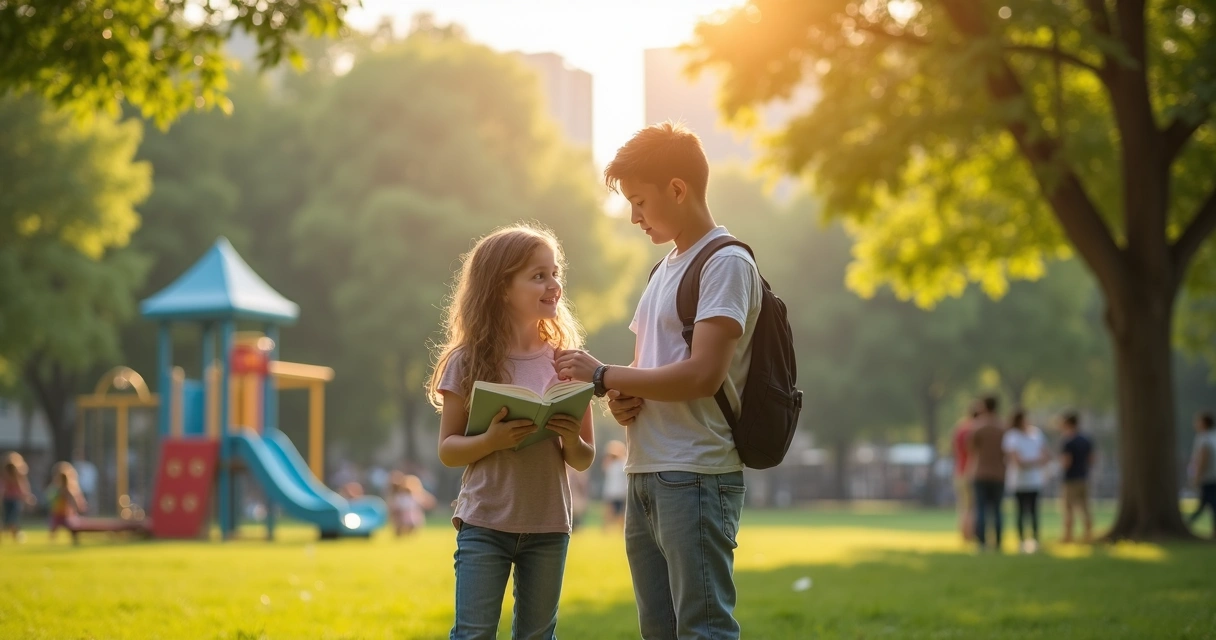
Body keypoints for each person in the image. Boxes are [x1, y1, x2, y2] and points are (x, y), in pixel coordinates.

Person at [554, 122, 760, 639]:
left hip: (694, 471)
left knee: (703, 629)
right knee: (658, 631)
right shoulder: (662, 270)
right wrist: (622, 397)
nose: (634, 216)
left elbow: (703, 374)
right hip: (646, 469)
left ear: (678, 188)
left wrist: (603, 375)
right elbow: (649, 369)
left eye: (640, 201)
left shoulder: (725, 262)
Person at [426, 224, 596, 640]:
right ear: (502, 288)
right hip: (484, 522)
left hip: (549, 525)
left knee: (538, 635)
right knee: (473, 633)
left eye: (555, 273)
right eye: (538, 276)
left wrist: (570, 437)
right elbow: (448, 449)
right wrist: (491, 441)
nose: (553, 285)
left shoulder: (569, 363)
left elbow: (583, 457)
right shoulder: (468, 361)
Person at [1002, 409, 1047, 553]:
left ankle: (1035, 540)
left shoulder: (1036, 434)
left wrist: (1029, 462)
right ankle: (1021, 541)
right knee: (1021, 512)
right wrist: (1034, 461)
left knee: (1034, 512)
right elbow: (1018, 462)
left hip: (1035, 480)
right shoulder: (1012, 436)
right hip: (1018, 482)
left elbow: (1044, 455)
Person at [968, 395, 1006, 552]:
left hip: (981, 473)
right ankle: (998, 542)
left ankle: (982, 542)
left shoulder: (978, 427)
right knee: (997, 509)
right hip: (999, 473)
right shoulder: (1003, 427)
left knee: (981, 509)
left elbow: (971, 449)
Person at [1058, 411, 1095, 543]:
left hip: (1070, 479)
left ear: (1067, 423)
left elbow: (1066, 462)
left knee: (1068, 509)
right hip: (1084, 477)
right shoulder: (1086, 440)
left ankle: (1068, 536)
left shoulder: (1067, 441)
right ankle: (1088, 534)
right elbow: (1092, 459)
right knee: (1085, 508)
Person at [951, 403, 980, 543]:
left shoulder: (960, 429)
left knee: (963, 506)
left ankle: (964, 535)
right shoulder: (976, 430)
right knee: (972, 507)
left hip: (959, 471)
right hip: (972, 471)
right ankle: (971, 535)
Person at [1187, 411, 1216, 536]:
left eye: (1198, 421)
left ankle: (1188, 523)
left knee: (1207, 503)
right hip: (1212, 477)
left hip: (1208, 477)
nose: (1195, 424)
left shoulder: (1203, 439)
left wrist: (1196, 477)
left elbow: (1203, 459)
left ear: (1204, 423)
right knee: (1208, 503)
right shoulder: (1213, 436)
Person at [46, 461, 87, 544]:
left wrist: (77, 507)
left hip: (66, 514)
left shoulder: (67, 490)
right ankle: (52, 541)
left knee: (71, 527)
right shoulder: (56, 489)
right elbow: (50, 498)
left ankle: (74, 540)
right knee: (54, 527)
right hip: (57, 513)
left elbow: (73, 500)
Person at [2, 452, 37, 543]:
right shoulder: (7, 476)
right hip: (9, 499)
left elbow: (22, 487)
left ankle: (16, 534)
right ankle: (15, 534)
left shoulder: (17, 476)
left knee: (11, 518)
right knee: (9, 518)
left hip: (13, 499)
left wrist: (26, 496)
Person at [388, 471, 436, 537]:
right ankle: (400, 532)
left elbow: (427, 501)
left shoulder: (413, 496)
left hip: (412, 516)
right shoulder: (400, 496)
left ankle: (407, 532)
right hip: (403, 516)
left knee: (410, 523)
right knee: (401, 522)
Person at [600, 440, 628, 534]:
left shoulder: (623, 463)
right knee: (608, 513)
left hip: (621, 492)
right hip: (610, 492)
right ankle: (605, 531)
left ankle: (622, 530)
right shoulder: (610, 464)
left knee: (621, 513)